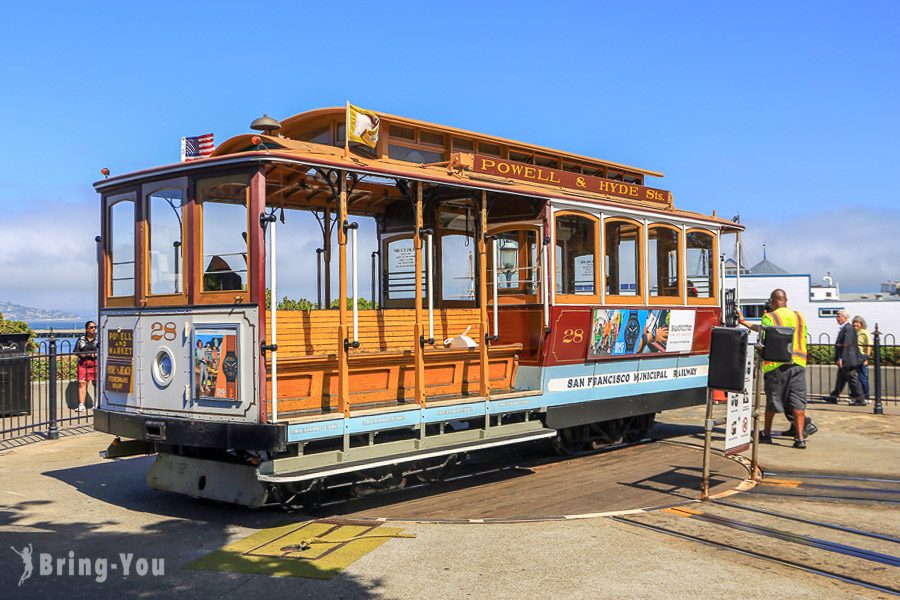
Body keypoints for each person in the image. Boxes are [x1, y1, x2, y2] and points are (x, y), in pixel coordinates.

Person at [738, 289, 810, 449]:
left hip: (776, 366)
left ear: (773, 301)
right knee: (798, 402)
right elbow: (803, 336)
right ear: (785, 300)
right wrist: (745, 323)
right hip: (798, 364)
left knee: (773, 401)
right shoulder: (799, 316)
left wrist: (743, 323)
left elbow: (764, 336)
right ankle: (799, 439)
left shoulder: (770, 316)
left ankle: (767, 434)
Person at [825, 310, 865, 405]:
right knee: (841, 379)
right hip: (847, 359)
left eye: (838, 316)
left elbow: (846, 344)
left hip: (848, 359)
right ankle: (833, 397)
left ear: (845, 317)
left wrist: (841, 359)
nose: (837, 318)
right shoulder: (846, 328)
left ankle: (860, 399)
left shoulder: (848, 328)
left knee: (852, 379)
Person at [74, 321, 99, 413]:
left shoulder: (98, 339)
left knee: (97, 384)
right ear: (87, 329)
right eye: (91, 327)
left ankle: (97, 403)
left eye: (95, 327)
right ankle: (81, 405)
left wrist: (95, 354)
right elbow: (76, 351)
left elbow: (103, 350)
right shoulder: (81, 339)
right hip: (83, 364)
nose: (94, 329)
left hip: (95, 364)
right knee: (82, 383)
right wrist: (82, 355)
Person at [853, 316, 872, 401]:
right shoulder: (853, 333)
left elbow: (868, 346)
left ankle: (866, 396)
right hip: (854, 358)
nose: (855, 324)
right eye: (854, 322)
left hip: (861, 357)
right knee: (855, 379)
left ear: (861, 324)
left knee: (863, 378)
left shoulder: (864, 333)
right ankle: (857, 396)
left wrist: (866, 358)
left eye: (857, 322)